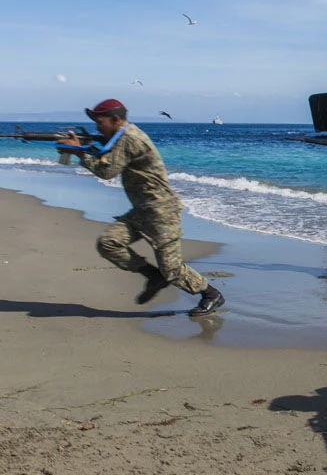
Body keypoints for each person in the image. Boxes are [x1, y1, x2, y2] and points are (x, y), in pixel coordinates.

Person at [57, 99, 225, 316]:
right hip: (142, 211)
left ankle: (211, 294)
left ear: (115, 119)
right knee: (108, 243)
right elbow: (107, 158)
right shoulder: (120, 138)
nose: (98, 128)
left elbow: (107, 172)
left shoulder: (130, 138)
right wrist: (84, 147)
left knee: (172, 270)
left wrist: (80, 152)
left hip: (162, 211)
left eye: (100, 123)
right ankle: (153, 276)